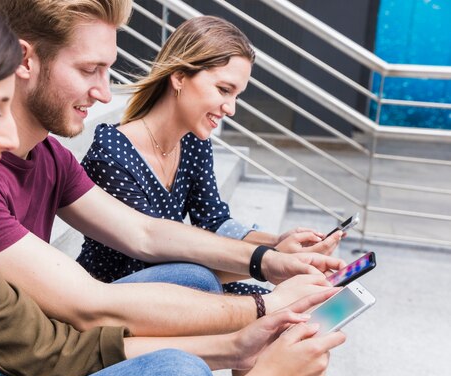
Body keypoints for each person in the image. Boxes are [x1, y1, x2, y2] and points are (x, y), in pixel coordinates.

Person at [0, 1, 349, 376]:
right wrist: (251, 374)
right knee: (182, 369)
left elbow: (58, 340)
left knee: (188, 331)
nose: (7, 136)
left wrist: (242, 327)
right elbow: (90, 307)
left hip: (13, 359)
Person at [0, 0, 345, 339]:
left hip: (59, 329)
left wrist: (269, 257)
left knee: (202, 288)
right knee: (196, 343)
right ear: (24, 60)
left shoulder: (51, 156)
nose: (105, 93)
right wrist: (266, 304)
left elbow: (144, 232)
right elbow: (93, 301)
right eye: (88, 69)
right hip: (27, 354)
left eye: (107, 70)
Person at [77, 17, 330, 295]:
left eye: (237, 95)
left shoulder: (193, 141)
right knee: (269, 310)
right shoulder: (111, 153)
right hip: (117, 294)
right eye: (224, 90)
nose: (231, 108)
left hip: (174, 283)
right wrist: (269, 261)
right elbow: (154, 255)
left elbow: (213, 221)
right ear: (180, 77)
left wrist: (276, 243)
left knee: (293, 313)